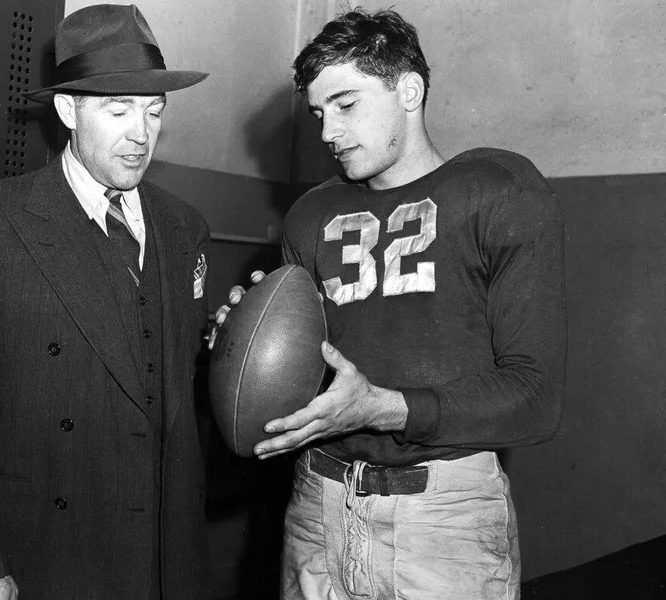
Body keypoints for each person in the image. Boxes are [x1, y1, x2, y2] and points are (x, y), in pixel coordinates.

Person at [215, 8, 566, 599]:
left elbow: (535, 399)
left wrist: (383, 407)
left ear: (409, 89)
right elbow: (305, 377)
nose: (328, 132)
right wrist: (239, 346)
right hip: (316, 507)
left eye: (347, 104)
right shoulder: (310, 215)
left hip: (443, 518)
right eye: (320, 113)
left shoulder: (498, 189)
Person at [0, 5, 211, 599]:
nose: (140, 134)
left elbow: (183, 394)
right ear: (66, 110)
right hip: (47, 553)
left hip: (163, 554)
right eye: (118, 109)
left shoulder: (185, 228)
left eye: (154, 112)